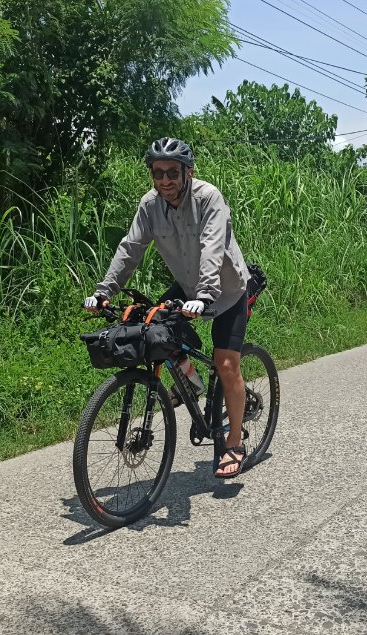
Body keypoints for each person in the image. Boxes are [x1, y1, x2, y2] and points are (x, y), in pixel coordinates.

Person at [84, 137, 252, 478]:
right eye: (157, 173)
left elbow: (211, 247)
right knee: (155, 328)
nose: (165, 180)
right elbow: (130, 247)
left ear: (188, 172)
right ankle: (191, 384)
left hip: (227, 289)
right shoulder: (149, 206)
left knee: (225, 363)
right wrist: (105, 291)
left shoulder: (208, 198)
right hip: (190, 286)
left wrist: (205, 295)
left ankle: (234, 442)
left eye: (172, 172)